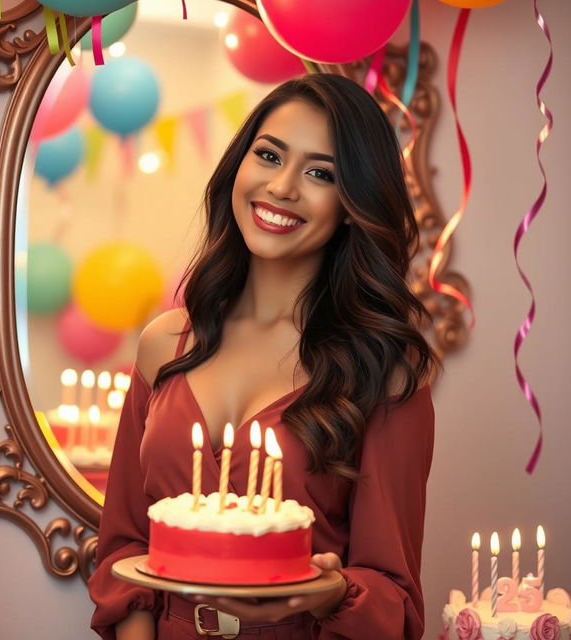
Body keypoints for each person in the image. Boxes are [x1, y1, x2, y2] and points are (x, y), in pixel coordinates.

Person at [88, 72, 439, 640]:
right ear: (238, 167)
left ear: (352, 205)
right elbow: (125, 544)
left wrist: (332, 593)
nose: (282, 187)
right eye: (269, 156)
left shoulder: (385, 370)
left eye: (321, 173)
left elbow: (394, 597)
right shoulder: (165, 344)